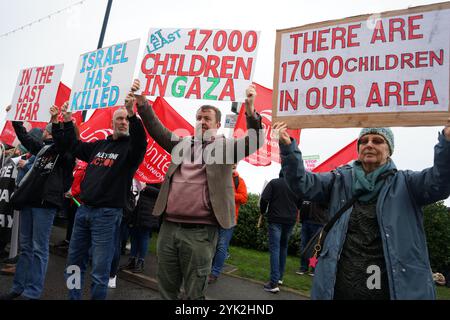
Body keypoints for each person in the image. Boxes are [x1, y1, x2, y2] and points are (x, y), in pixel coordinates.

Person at [274, 121, 450, 300]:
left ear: (389, 150)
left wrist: (447, 142)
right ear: (358, 149)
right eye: (364, 141)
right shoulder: (339, 180)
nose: (369, 144)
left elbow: (440, 182)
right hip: (339, 288)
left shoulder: (407, 183)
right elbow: (302, 183)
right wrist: (288, 149)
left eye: (377, 140)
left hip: (389, 290)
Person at [134, 82, 264, 300]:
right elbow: (156, 128)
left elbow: (255, 140)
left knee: (195, 292)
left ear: (218, 124)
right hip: (169, 228)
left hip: (200, 233)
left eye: (207, 119)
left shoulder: (227, 148)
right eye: (199, 118)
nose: (202, 122)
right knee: (166, 287)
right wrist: (142, 102)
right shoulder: (182, 144)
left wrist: (250, 111)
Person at [55, 81, 147, 300]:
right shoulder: (99, 146)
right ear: (113, 122)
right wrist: (67, 121)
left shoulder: (130, 150)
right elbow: (72, 146)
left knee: (100, 270)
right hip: (83, 211)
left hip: (107, 215)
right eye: (120, 119)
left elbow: (141, 142)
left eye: (126, 119)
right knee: (74, 264)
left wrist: (133, 114)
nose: (123, 122)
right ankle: (73, 297)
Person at [0, 105, 75, 300]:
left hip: (46, 203)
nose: (42, 133)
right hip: (30, 201)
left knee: (38, 248)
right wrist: (15, 118)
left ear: (51, 133)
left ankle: (32, 292)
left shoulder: (65, 153)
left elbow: (63, 143)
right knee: (26, 247)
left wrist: (58, 121)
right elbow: (25, 138)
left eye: (45, 130)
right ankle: (19, 287)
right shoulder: (42, 150)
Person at [260, 171, 302, 293]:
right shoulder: (296, 186)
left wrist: (263, 211)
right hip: (290, 221)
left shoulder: (274, 183)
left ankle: (273, 283)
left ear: (280, 174)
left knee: (275, 249)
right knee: (283, 247)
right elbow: (300, 205)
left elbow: (264, 199)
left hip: (275, 220)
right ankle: (279, 278)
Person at [209, 163, 248, 283]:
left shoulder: (239, 180)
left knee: (221, 246)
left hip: (229, 218)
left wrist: (229, 194)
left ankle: (214, 273)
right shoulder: (218, 177)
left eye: (234, 163)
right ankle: (207, 269)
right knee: (211, 244)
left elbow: (243, 198)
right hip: (214, 215)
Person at [120, 183, 161, 274]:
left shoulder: (156, 176)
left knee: (143, 236)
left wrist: (145, 187)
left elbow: (161, 192)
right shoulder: (140, 173)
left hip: (147, 211)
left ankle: (141, 261)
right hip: (136, 210)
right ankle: (132, 260)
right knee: (134, 235)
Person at [296, 200, 328, 276]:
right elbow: (300, 203)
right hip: (305, 221)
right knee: (304, 245)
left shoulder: (321, 192)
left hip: (318, 222)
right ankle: (303, 267)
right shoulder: (309, 192)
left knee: (315, 247)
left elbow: (326, 205)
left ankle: (313, 268)